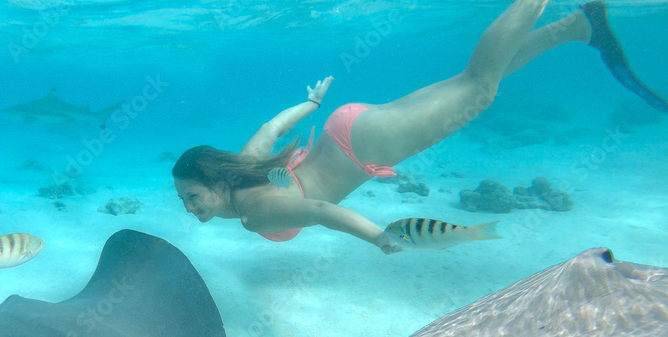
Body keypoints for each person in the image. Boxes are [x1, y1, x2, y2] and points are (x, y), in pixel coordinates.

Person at [173, 0, 667, 253]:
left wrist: (377, 238)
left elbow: (321, 210)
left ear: (215, 182)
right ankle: (577, 27)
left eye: (193, 196)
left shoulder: (256, 211)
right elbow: (271, 126)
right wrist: (310, 104)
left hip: (364, 146)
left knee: (478, 89)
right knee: (468, 82)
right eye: (184, 202)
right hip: (348, 127)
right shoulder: (244, 167)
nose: (191, 209)